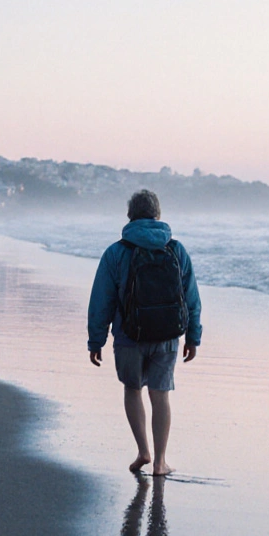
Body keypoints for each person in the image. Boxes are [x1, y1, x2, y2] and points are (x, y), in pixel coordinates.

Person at [88, 190, 202, 476]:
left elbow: (102, 300)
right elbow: (191, 297)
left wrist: (96, 340)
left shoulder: (116, 252)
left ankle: (143, 451)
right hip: (167, 336)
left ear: (130, 216)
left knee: (132, 388)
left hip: (129, 336)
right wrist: (193, 336)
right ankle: (161, 462)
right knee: (160, 394)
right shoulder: (176, 249)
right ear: (157, 215)